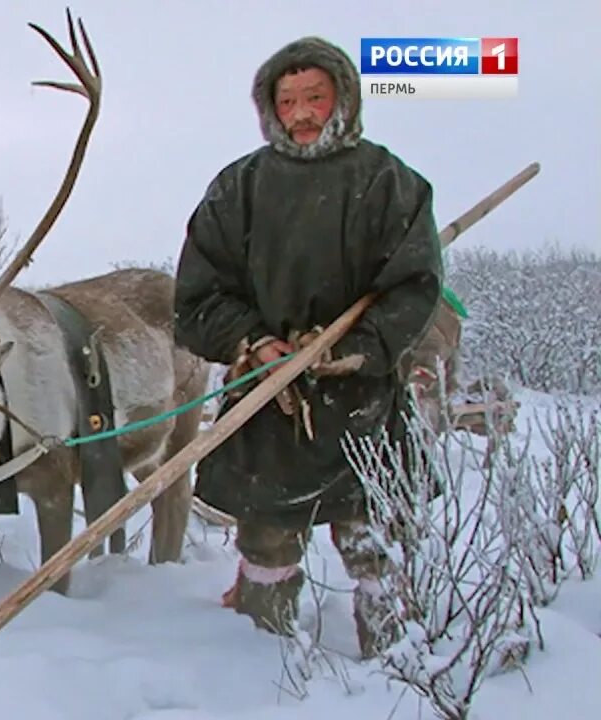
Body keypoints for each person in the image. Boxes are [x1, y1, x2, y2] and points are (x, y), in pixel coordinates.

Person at [171, 36, 444, 659]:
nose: (300, 113)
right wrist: (253, 343)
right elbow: (199, 298)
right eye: (287, 99)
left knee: (376, 539)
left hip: (362, 403)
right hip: (269, 403)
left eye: (315, 97)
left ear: (343, 99)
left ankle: (400, 664)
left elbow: (414, 285)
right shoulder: (238, 188)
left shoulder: (389, 183)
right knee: (267, 540)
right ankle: (263, 663)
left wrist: (359, 348)